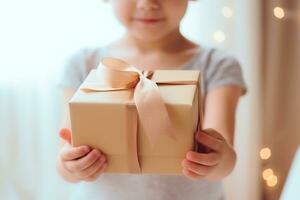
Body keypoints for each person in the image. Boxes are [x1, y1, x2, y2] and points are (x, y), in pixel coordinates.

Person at [56, 0, 247, 199]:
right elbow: (65, 158)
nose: (147, 4)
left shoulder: (217, 65)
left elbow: (225, 160)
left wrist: (216, 159)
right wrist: (71, 165)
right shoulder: (84, 65)